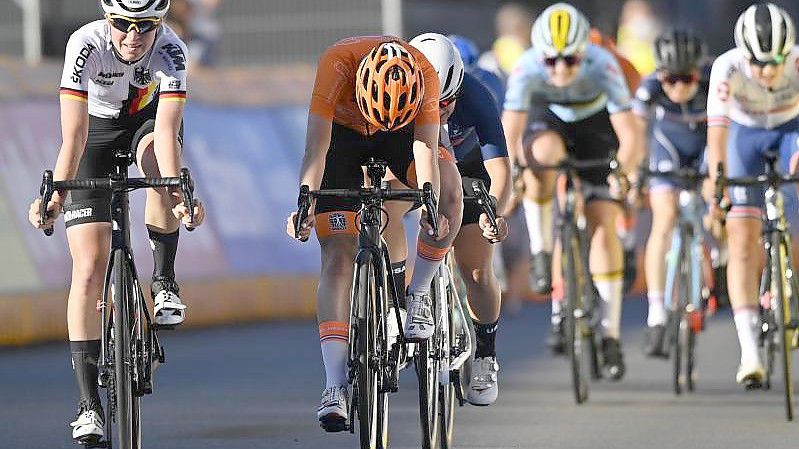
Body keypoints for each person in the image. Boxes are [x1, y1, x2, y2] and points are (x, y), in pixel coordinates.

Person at [27, 0, 205, 444]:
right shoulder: (84, 44)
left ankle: (164, 281)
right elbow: (74, 135)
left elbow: (165, 133)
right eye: (123, 24)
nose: (133, 35)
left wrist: (177, 192)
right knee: (88, 266)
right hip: (96, 133)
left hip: (147, 126)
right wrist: (56, 194)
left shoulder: (172, 50)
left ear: (159, 23)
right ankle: (89, 405)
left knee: (161, 173)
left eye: (145, 25)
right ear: (109, 21)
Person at [285, 36, 460, 431]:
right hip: (342, 138)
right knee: (338, 257)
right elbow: (315, 151)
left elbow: (424, 151)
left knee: (449, 190)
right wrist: (305, 202)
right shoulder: (335, 65)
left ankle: (417, 295)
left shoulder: (425, 75)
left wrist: (430, 206)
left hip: (402, 135)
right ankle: (334, 385)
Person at [503, 2, 643, 379]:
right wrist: (513, 177)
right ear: (539, 56)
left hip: (596, 125)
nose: (561, 69)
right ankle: (541, 250)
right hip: (549, 119)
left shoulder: (603, 64)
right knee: (540, 157)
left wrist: (623, 174)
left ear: (585, 52)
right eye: (552, 61)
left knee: (602, 221)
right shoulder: (527, 66)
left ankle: (611, 334)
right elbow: (510, 134)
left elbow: (631, 136)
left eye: (570, 60)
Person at [405, 33, 512, 405]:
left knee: (478, 270)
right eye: (434, 103)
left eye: (449, 101)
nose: (443, 109)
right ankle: (390, 306)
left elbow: (500, 169)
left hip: (468, 173)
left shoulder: (477, 95)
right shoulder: (401, 89)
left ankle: (485, 354)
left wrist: (494, 211)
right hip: (415, 166)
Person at [706, 2, 799, 388]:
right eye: (758, 63)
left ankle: (790, 293)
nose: (767, 70)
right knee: (742, 242)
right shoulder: (726, 67)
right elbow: (718, 131)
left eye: (776, 60)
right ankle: (749, 352)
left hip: (791, 126)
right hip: (744, 135)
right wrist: (718, 184)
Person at [633, 28, 709, 356]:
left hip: (707, 148)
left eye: (686, 79)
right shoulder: (648, 89)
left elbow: (730, 135)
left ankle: (713, 260)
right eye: (670, 80)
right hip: (668, 150)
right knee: (663, 220)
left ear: (699, 72)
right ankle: (656, 314)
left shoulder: (714, 82)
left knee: (719, 209)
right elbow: (635, 137)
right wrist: (635, 174)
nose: (678, 87)